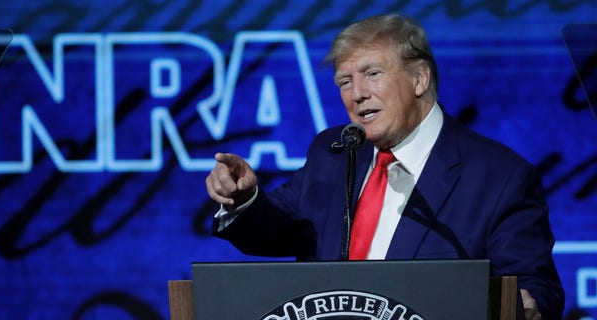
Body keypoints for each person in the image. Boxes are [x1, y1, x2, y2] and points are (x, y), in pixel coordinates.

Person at [205, 14, 564, 320]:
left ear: (419, 79)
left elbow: (535, 286)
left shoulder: (499, 177)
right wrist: (244, 199)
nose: (356, 93)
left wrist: (527, 305)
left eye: (372, 74)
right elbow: (277, 229)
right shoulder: (333, 153)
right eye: (345, 82)